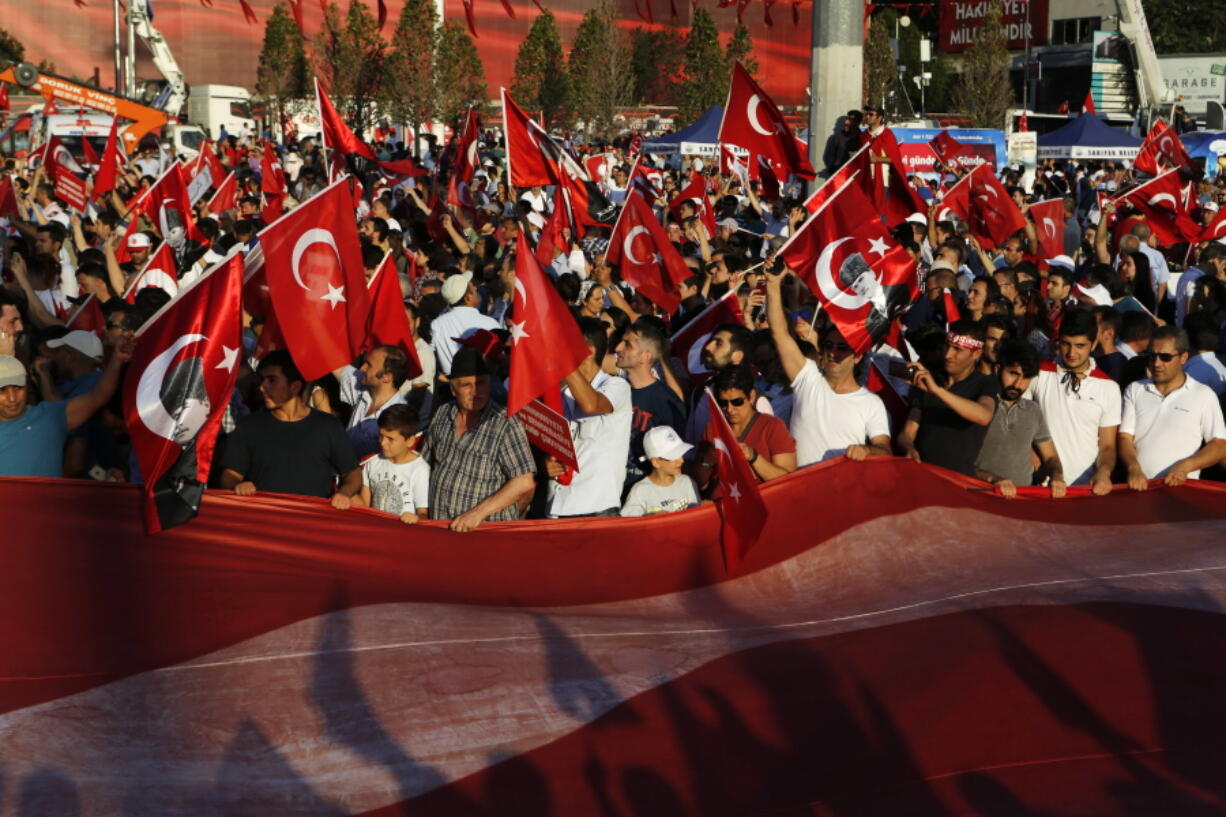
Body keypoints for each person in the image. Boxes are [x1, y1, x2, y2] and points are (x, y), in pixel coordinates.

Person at [764, 265, 890, 465]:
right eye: (829, 345)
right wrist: (772, 284)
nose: (833, 352)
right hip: (800, 488)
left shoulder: (871, 403)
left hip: (841, 490)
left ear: (857, 356)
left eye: (842, 348)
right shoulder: (807, 378)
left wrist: (867, 450)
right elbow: (779, 334)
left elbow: (885, 450)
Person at [220, 350, 361, 505]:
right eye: (261, 380)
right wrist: (237, 485)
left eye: (272, 380)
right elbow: (230, 475)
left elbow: (353, 474)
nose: (262, 387)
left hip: (312, 525)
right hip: (262, 523)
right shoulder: (248, 426)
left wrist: (344, 493)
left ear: (295, 387)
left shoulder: (328, 426)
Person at [420, 347, 535, 531]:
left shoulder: (505, 423)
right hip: (441, 528)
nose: (476, 391)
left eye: (481, 383)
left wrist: (477, 514)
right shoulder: (442, 414)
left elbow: (524, 481)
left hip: (484, 533)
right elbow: (424, 465)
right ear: (452, 388)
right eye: (466, 385)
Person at [1022, 309, 1121, 494]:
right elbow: (1018, 420)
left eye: (1080, 345)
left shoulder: (1109, 387)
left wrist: (1104, 472)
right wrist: (1028, 451)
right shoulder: (1038, 373)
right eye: (1066, 344)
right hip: (1040, 486)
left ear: (1093, 345)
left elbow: (1107, 446)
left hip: (1085, 490)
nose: (1071, 352)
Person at [545, 317, 632, 517]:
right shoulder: (558, 392)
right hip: (556, 507)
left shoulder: (617, 387)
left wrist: (565, 363)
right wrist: (546, 464)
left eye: (567, 347)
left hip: (595, 509)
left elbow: (590, 404)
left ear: (589, 352)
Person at [1119, 327, 1226, 488]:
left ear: (1183, 357)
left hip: (1183, 491)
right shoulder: (1135, 389)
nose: (1156, 363)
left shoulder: (1203, 394)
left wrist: (1186, 467)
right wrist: (1134, 468)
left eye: (1165, 357)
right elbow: (1124, 437)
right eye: (1152, 356)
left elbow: (1219, 445)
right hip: (1140, 489)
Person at [0, 348, 129, 477]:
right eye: (2, 390)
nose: (12, 398)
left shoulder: (50, 418)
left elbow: (98, 397)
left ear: (27, 386)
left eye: (18, 388)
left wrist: (117, 359)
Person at [897, 320, 998, 476]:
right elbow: (908, 432)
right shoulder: (929, 378)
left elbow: (983, 416)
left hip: (957, 484)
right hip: (921, 476)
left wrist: (937, 391)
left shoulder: (985, 384)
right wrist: (909, 448)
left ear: (976, 354)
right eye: (947, 346)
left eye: (957, 349)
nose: (948, 355)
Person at [974, 340, 1067, 499]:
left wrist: (1057, 475)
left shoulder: (1033, 411)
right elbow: (957, 463)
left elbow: (1050, 457)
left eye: (1026, 378)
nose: (1018, 384)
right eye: (1013, 374)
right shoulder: (977, 407)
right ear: (998, 370)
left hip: (1021, 505)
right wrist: (993, 479)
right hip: (978, 498)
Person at [697, 364, 796, 489]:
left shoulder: (772, 426)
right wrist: (707, 461)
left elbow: (789, 480)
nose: (730, 409)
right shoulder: (712, 429)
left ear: (752, 396)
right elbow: (699, 485)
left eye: (737, 402)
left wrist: (753, 456)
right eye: (722, 403)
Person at [614, 317, 687, 486]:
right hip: (613, 488)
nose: (618, 348)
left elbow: (675, 459)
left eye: (627, 345)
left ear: (645, 357)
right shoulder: (614, 390)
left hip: (647, 493)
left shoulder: (667, 401)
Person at [356, 404, 429, 524]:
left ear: (410, 440)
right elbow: (364, 504)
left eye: (390, 439)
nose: (383, 443)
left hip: (400, 537)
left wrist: (416, 518)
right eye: (381, 436)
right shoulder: (372, 462)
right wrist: (346, 493)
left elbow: (423, 514)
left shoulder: (420, 470)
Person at [338, 345, 411, 459]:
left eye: (369, 365)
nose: (362, 368)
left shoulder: (400, 417)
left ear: (386, 377)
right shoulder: (362, 386)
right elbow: (334, 363)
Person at [620, 426, 702, 517]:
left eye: (681, 454)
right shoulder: (640, 491)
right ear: (656, 462)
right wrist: (651, 518)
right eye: (673, 456)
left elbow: (696, 515)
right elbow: (629, 525)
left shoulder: (687, 482)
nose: (681, 460)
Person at [429, 272, 501, 376]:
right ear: (468, 298)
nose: (476, 289)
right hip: (484, 384)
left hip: (451, 386)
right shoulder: (490, 324)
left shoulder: (436, 325)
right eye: (473, 288)